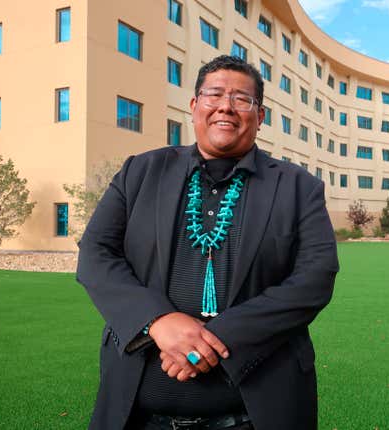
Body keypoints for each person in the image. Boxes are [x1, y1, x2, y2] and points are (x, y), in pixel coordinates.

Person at [77, 55, 339, 430]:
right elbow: (96, 255)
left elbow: (315, 278)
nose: (226, 107)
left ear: (259, 116)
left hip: (256, 413)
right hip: (138, 412)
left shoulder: (298, 187)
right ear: (195, 106)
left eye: (242, 99)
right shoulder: (140, 172)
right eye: (214, 94)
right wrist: (157, 321)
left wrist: (212, 340)